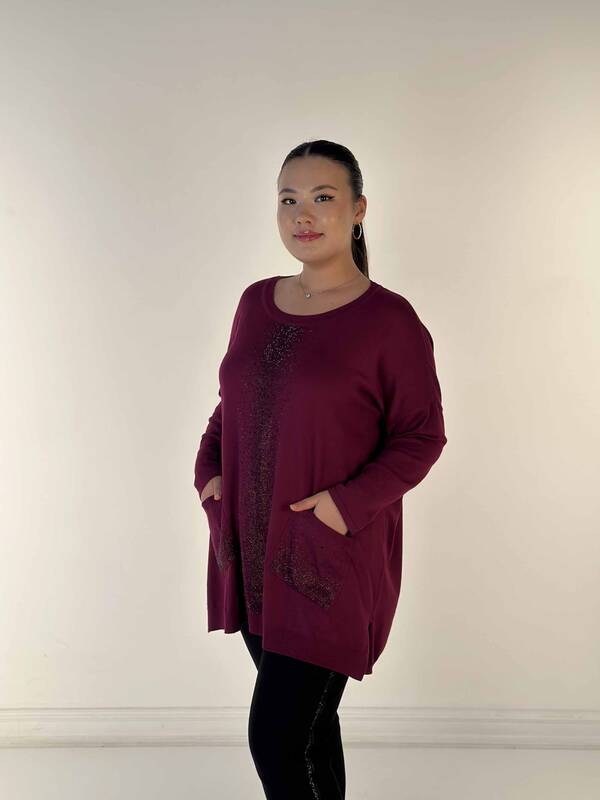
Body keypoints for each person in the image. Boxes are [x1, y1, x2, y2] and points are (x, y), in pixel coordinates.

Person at [194, 139, 448, 799]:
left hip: (327, 562)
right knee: (308, 734)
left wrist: (342, 506)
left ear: (359, 210)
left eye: (323, 197)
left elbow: (421, 436)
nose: (302, 214)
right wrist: (209, 475)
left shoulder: (389, 322)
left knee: (277, 737)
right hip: (249, 553)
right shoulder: (255, 302)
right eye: (288, 200)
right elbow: (230, 404)